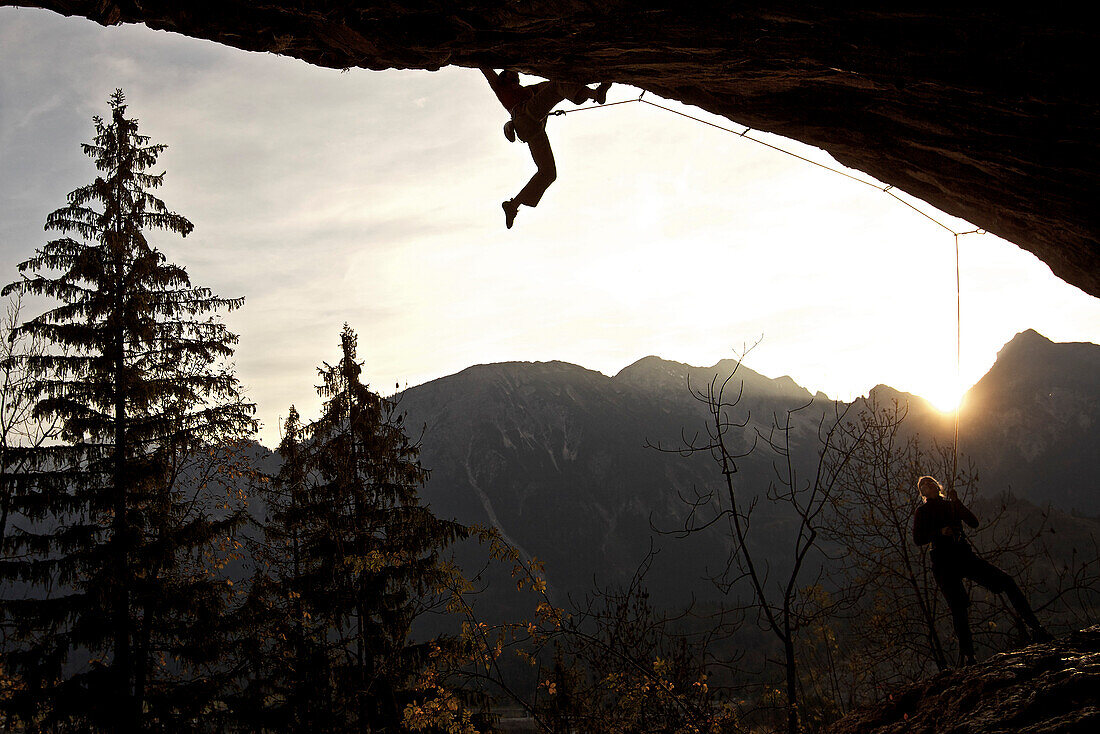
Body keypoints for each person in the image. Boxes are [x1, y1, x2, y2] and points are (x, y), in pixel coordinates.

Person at [912, 475, 1050, 665]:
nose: (928, 484)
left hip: (963, 556)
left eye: (930, 482)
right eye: (924, 485)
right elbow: (918, 539)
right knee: (958, 607)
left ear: (937, 486)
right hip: (943, 563)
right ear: (923, 493)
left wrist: (957, 502)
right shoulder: (922, 511)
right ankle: (969, 657)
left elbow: (973, 523)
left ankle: (1036, 628)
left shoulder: (951, 505)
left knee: (1007, 582)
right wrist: (939, 532)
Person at [480, 68, 612, 228]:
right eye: (512, 73)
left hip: (531, 128)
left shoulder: (529, 90)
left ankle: (513, 205)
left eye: (516, 74)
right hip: (525, 115)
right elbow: (486, 68)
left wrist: (575, 82)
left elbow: (550, 86)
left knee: (548, 173)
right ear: (504, 77)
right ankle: (595, 94)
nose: (516, 75)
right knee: (559, 85)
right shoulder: (500, 87)